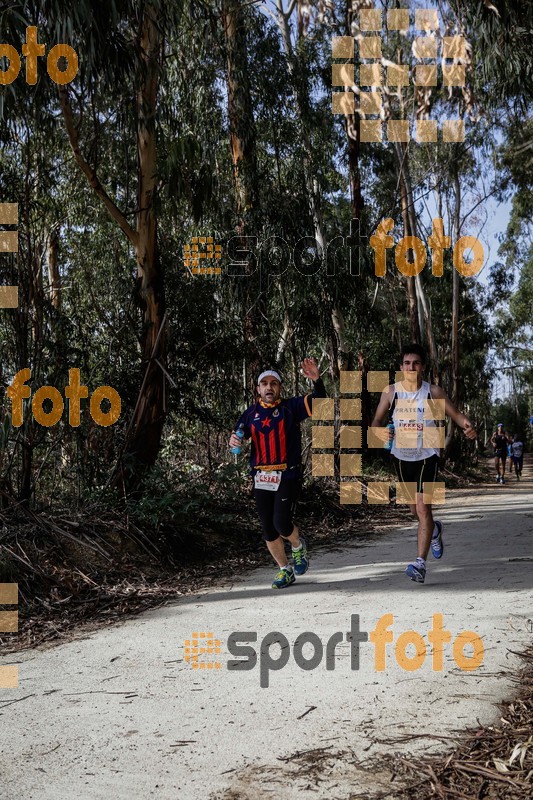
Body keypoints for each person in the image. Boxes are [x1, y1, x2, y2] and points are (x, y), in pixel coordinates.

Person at [371, 343, 477, 584]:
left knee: (422, 508)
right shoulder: (391, 392)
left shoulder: (433, 392)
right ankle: (435, 530)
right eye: (407, 363)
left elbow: (456, 415)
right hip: (401, 458)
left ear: (423, 367)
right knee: (414, 510)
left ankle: (420, 563)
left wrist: (467, 425)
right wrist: (379, 434)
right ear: (401, 367)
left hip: (427, 455)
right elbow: (376, 422)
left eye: (416, 363)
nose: (411, 367)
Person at [229, 358, 326, 589]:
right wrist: (235, 440)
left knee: (281, 522)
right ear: (258, 389)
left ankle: (297, 545)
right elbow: (238, 437)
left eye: (274, 383)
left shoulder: (290, 407)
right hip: (261, 476)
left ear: (279, 388)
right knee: (268, 528)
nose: (269, 387)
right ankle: (285, 570)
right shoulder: (249, 414)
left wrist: (317, 380)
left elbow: (320, 402)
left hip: (287, 474)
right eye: (265, 383)